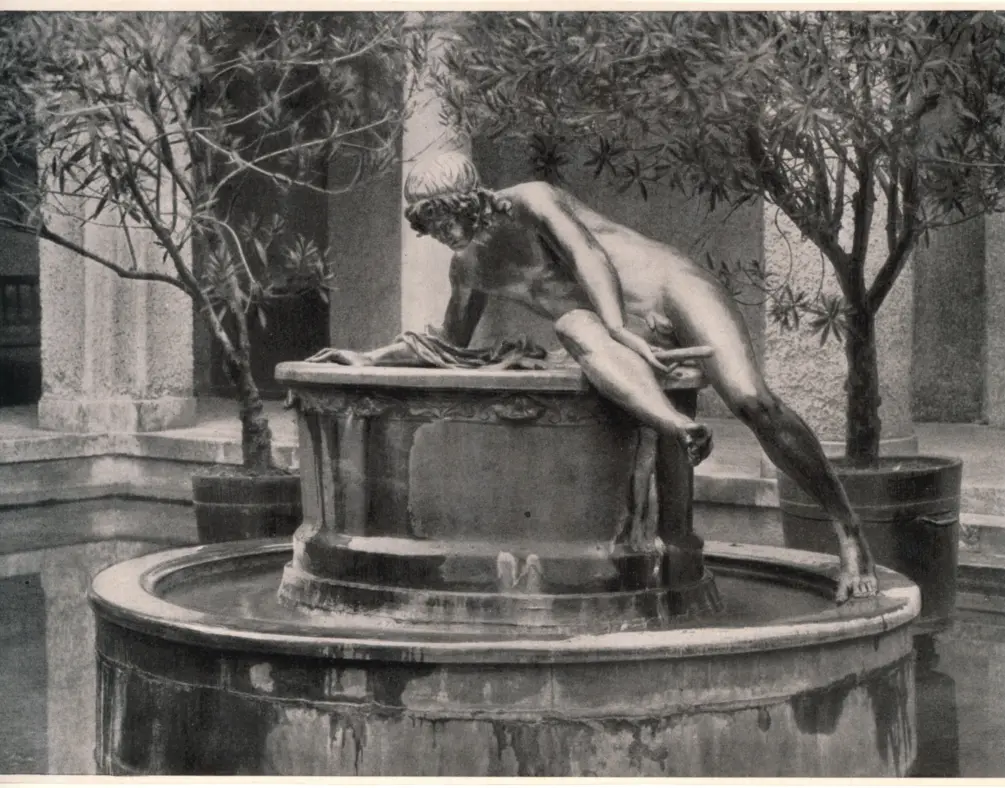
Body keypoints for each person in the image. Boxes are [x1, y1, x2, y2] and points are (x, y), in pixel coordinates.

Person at [310, 151, 877, 603]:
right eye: (427, 222)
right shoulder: (469, 270)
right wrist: (371, 358)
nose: (440, 230)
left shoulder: (529, 201)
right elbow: (446, 348)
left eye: (445, 214)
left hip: (666, 290)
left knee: (754, 402)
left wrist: (622, 326)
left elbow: (588, 257)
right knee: (573, 327)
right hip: (606, 328)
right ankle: (677, 425)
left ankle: (849, 533)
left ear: (471, 199)